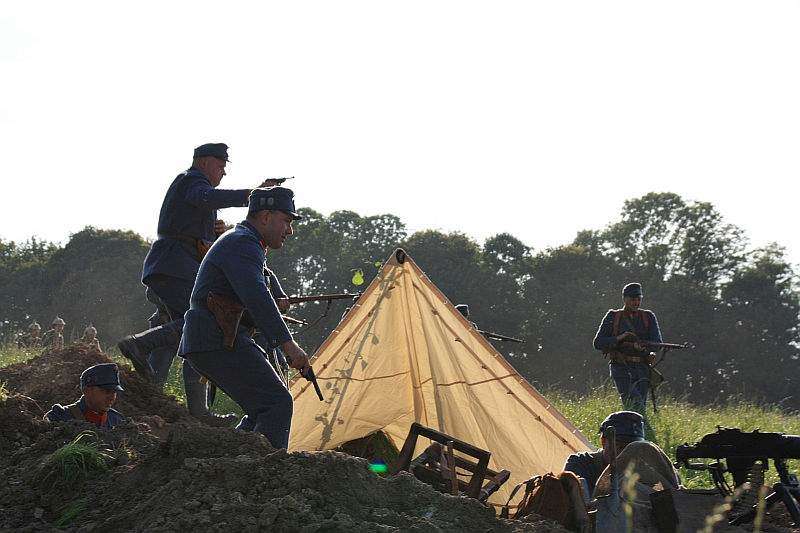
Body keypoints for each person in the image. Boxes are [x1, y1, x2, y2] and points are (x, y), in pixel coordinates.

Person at [117, 143, 257, 419]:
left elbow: (195, 222)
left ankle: (154, 397)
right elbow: (204, 198)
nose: (224, 172)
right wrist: (253, 196)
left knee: (177, 334)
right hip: (175, 267)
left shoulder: (193, 188)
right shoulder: (191, 180)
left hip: (172, 267)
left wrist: (213, 231)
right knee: (199, 324)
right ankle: (140, 345)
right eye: (221, 165)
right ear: (204, 162)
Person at [179, 186, 310, 449]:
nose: (290, 230)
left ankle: (227, 462)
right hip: (215, 341)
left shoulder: (243, 241)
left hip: (212, 340)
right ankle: (268, 471)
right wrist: (290, 346)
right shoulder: (243, 244)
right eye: (286, 221)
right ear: (265, 216)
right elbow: (257, 297)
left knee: (261, 409)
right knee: (276, 403)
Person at [563, 411, 678, 498]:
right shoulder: (581, 463)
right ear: (603, 441)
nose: (625, 453)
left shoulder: (644, 467)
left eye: (630, 448)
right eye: (619, 446)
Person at [593, 283, 662, 413]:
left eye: (638, 299)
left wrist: (643, 349)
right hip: (621, 367)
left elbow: (657, 344)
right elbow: (598, 343)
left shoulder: (648, 317)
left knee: (639, 407)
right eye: (633, 299)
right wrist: (620, 338)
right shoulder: (613, 316)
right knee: (635, 403)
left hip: (642, 368)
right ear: (624, 299)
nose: (636, 302)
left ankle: (639, 426)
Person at [44, 363, 125, 428]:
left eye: (114, 392)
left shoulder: (118, 421)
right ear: (87, 391)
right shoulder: (59, 418)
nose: (112, 397)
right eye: (107, 391)